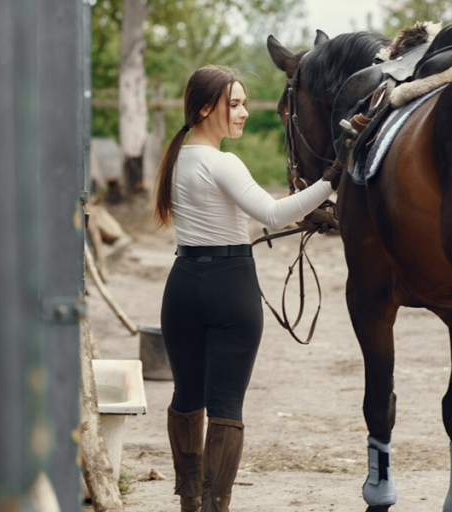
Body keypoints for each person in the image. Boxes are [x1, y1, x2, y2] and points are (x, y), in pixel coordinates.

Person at [154, 65, 337, 512]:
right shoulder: (222, 162)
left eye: (242, 103)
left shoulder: (176, 156)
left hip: (182, 286)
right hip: (230, 287)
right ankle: (216, 506)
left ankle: (190, 503)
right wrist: (334, 177)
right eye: (233, 104)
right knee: (226, 404)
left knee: (186, 397)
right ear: (203, 108)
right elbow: (273, 215)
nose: (242, 114)